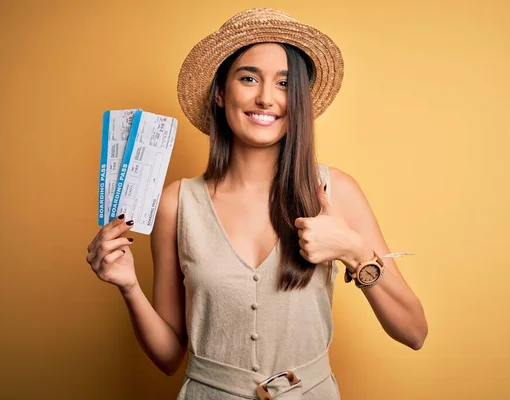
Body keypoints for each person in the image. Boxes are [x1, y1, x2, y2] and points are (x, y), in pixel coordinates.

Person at [85, 8, 427, 400]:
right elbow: (167, 357)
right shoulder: (176, 204)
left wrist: (353, 250)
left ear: (298, 100)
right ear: (219, 92)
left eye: (284, 84)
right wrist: (128, 286)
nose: (266, 98)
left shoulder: (335, 191)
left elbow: (414, 332)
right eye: (249, 78)